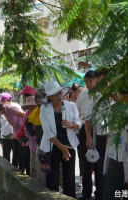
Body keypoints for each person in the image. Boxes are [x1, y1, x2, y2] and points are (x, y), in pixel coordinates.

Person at [40, 81, 81, 198]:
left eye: (60, 93)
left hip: (69, 144)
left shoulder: (71, 105)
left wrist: (72, 125)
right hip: (52, 145)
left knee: (69, 177)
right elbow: (47, 132)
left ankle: (70, 196)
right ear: (49, 97)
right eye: (55, 94)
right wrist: (61, 147)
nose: (59, 96)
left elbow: (79, 122)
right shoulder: (44, 108)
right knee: (52, 177)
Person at [84, 69, 110, 200]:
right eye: (98, 82)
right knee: (100, 171)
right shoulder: (94, 98)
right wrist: (88, 137)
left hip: (117, 139)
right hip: (101, 138)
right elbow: (88, 120)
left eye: (103, 82)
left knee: (114, 171)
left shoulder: (119, 96)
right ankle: (100, 194)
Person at [76, 70, 98, 200]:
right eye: (86, 82)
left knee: (98, 162)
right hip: (85, 128)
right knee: (85, 162)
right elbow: (78, 111)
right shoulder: (82, 95)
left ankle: (99, 191)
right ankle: (86, 191)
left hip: (98, 128)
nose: (88, 84)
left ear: (96, 80)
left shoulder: (101, 94)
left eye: (91, 81)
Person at [0, 93, 21, 162]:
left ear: (4, 101)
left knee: (16, 157)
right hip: (6, 135)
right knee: (6, 157)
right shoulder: (3, 109)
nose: (1, 103)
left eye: (1, 101)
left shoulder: (14, 107)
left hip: (14, 136)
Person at [21, 96, 38, 178]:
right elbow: (26, 131)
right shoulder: (29, 116)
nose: (31, 108)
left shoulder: (41, 113)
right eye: (29, 106)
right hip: (32, 146)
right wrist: (34, 137)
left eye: (32, 106)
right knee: (33, 169)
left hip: (43, 146)